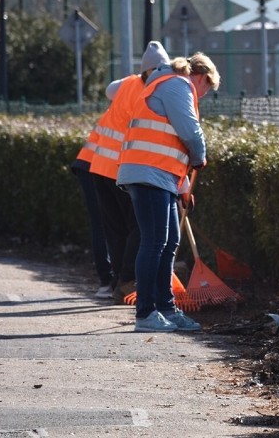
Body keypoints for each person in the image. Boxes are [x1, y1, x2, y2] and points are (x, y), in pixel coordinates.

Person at [117, 52, 220, 332]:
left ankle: (166, 308)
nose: (204, 94)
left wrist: (183, 184)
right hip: (148, 174)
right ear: (201, 77)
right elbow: (189, 131)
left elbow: (170, 142)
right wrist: (200, 155)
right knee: (154, 242)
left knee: (169, 240)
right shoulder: (178, 85)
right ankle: (146, 314)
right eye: (207, 88)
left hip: (159, 175)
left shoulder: (169, 84)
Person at [89, 41, 171, 304]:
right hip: (121, 168)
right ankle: (126, 280)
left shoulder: (127, 84)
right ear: (152, 71)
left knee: (116, 229)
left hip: (99, 165)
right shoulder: (148, 93)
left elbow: (109, 89)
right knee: (139, 226)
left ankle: (118, 282)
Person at [71, 127, 113, 298]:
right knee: (103, 222)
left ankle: (109, 282)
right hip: (97, 165)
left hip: (93, 162)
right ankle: (107, 282)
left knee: (103, 223)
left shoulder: (125, 103)